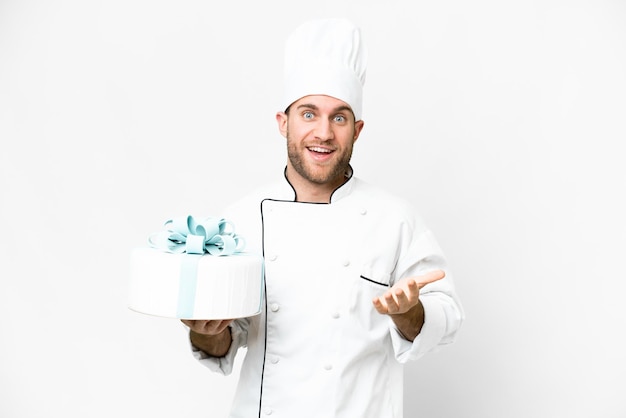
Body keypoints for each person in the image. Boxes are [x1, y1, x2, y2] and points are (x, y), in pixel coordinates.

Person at [182, 18, 464, 418]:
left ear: (357, 130)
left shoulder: (395, 219)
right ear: (284, 123)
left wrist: (409, 313)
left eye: (339, 117)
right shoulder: (242, 219)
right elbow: (226, 340)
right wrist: (205, 332)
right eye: (309, 114)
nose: (324, 133)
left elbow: (448, 318)